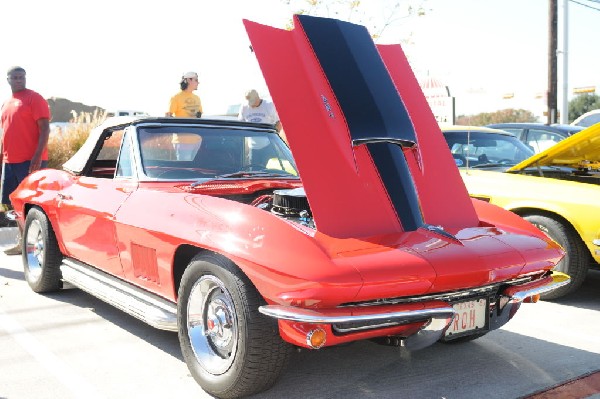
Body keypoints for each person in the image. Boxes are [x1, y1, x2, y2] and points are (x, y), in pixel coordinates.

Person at [0, 66, 51, 255]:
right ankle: (23, 243)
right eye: (15, 77)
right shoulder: (5, 103)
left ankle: (37, 246)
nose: (19, 80)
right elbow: (5, 134)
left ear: (25, 78)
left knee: (32, 203)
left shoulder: (34, 98)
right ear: (8, 79)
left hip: (30, 162)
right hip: (9, 162)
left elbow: (45, 129)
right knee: (14, 204)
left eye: (21, 77)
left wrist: (37, 157)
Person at [166, 71, 203, 159]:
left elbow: (200, 115)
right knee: (185, 168)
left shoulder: (197, 98)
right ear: (189, 80)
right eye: (196, 80)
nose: (198, 82)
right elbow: (168, 116)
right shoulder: (176, 97)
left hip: (197, 140)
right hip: (182, 140)